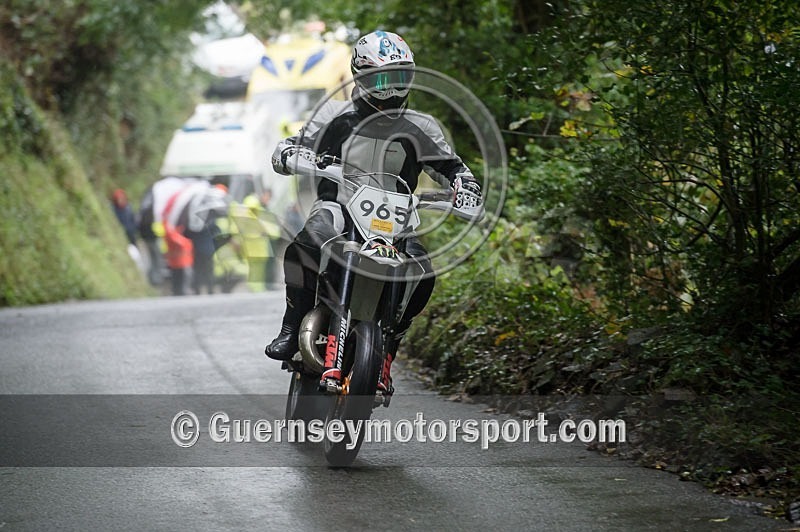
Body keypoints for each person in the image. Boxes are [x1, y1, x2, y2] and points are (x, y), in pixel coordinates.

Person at [264, 30, 482, 396]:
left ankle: (390, 344)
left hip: (395, 220)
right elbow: (294, 144)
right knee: (305, 245)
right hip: (339, 207)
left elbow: (452, 167)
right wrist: (291, 154)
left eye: (401, 77)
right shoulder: (334, 115)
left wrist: (466, 188)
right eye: (383, 79)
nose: (393, 88)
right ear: (361, 76)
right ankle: (290, 328)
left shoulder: (422, 126)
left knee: (424, 273)